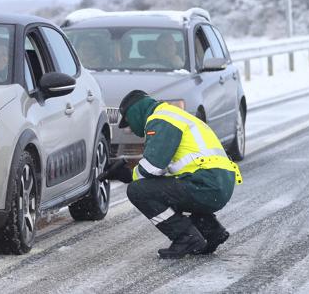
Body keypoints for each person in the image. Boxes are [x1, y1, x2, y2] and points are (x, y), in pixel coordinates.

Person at [102, 90, 242, 259]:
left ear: (136, 113)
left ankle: (186, 238)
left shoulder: (160, 120)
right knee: (168, 190)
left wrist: (128, 175)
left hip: (206, 183)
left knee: (138, 191)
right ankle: (211, 231)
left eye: (130, 123)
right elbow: (165, 170)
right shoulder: (174, 116)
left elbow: (152, 167)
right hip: (219, 183)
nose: (131, 130)